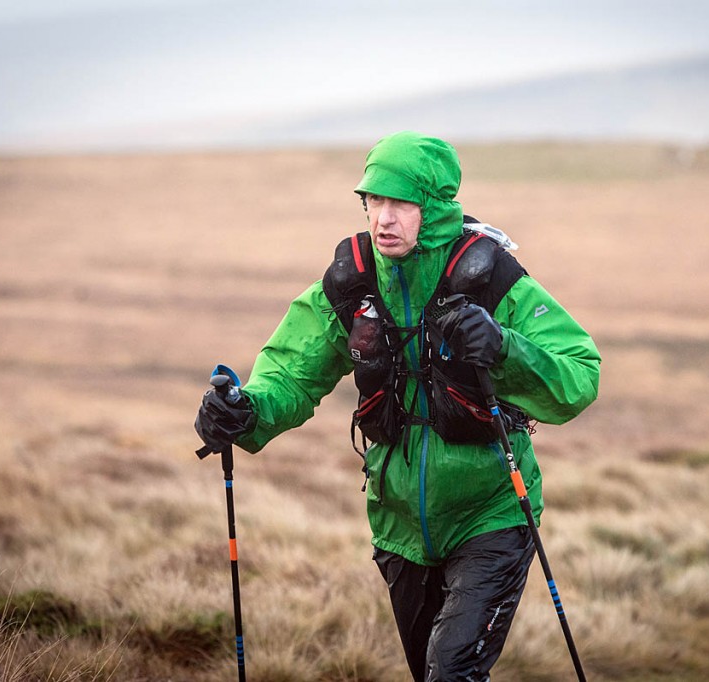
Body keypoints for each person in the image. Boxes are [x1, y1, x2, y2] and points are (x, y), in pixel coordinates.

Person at [195, 131, 601, 681]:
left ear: (432, 208)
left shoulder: (491, 279)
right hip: (398, 524)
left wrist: (505, 348)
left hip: (494, 513)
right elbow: (291, 372)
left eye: (401, 203)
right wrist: (246, 410)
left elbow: (578, 377)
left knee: (450, 672)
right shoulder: (350, 285)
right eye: (373, 201)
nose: (383, 218)